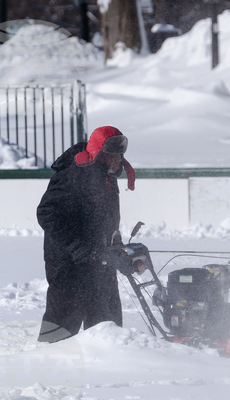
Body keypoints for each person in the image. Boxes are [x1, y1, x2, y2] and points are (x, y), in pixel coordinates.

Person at [36, 125, 136, 343]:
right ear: (101, 153)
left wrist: (118, 249)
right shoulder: (73, 175)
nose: (119, 159)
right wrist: (78, 247)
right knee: (60, 331)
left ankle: (109, 364)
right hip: (69, 266)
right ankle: (51, 362)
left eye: (121, 154)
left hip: (99, 262)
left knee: (107, 328)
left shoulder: (108, 177)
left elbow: (105, 220)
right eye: (114, 154)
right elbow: (47, 214)